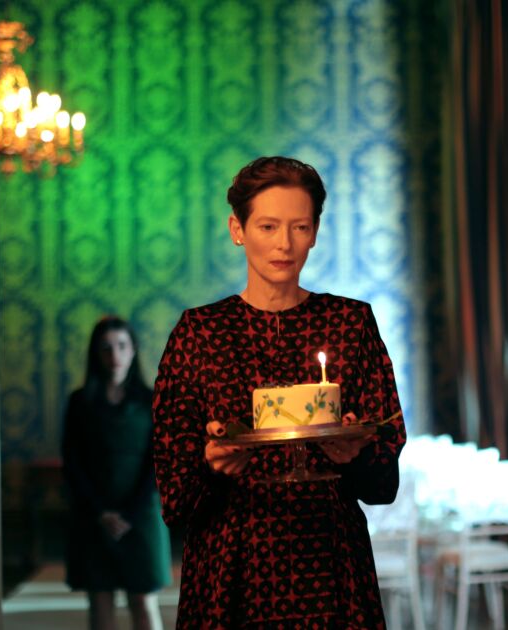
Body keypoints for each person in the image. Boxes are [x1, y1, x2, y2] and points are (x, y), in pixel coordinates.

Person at [152, 156, 407, 627]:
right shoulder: (199, 333)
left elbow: (384, 486)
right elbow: (175, 497)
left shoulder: (350, 324)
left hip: (331, 563)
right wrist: (212, 464)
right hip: (230, 567)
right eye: (268, 226)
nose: (284, 244)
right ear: (238, 229)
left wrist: (354, 455)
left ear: (314, 233)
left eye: (299, 227)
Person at [62, 316, 172, 630]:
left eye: (122, 346)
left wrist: (130, 514)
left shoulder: (152, 399)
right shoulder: (80, 402)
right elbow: (72, 461)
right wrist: (101, 512)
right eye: (106, 348)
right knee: (100, 601)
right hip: (94, 514)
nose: (115, 355)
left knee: (143, 602)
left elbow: (158, 461)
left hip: (141, 512)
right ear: (96, 353)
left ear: (133, 350)